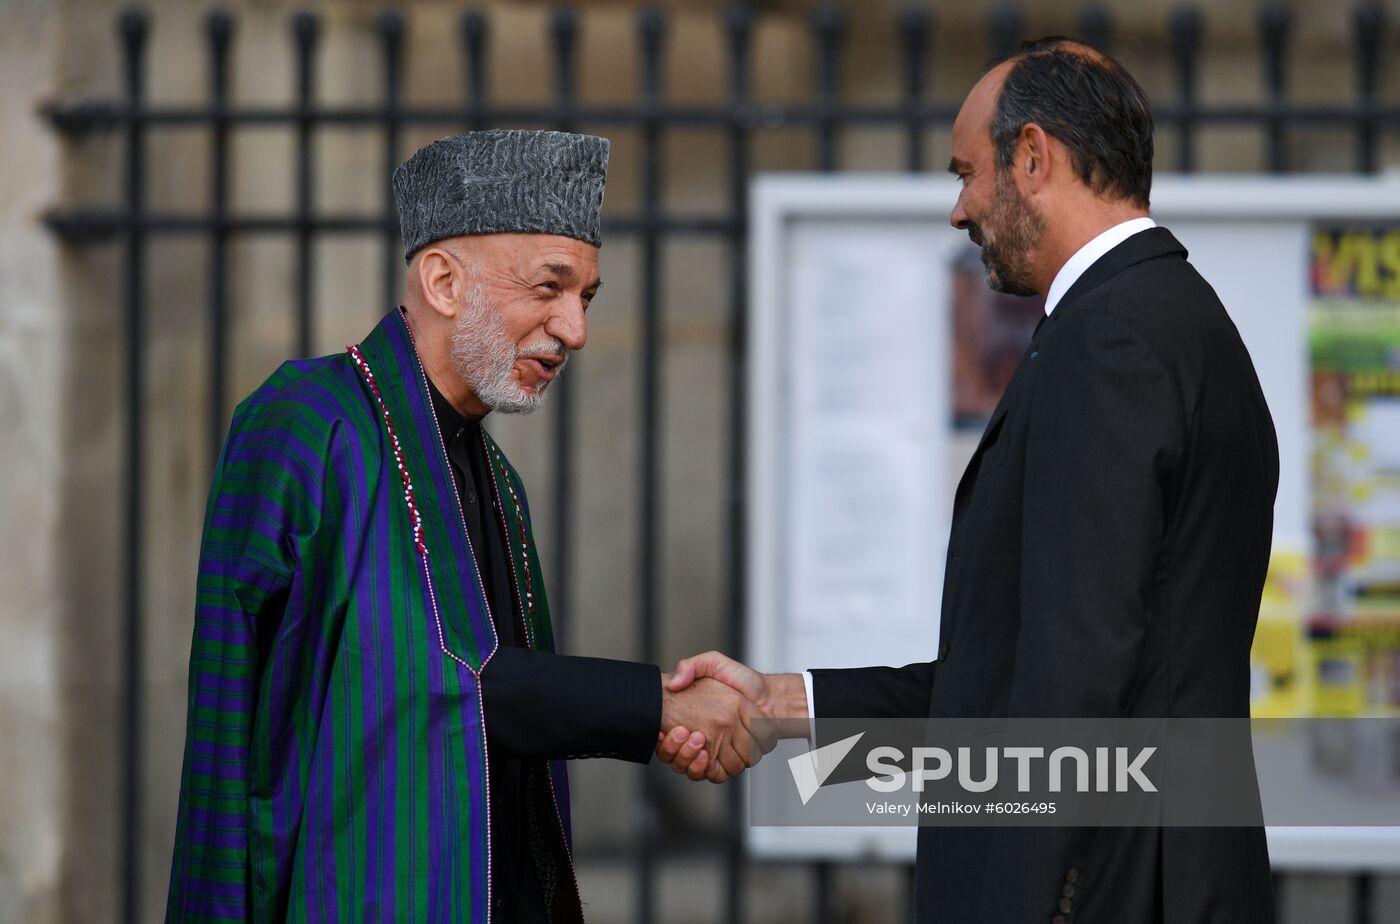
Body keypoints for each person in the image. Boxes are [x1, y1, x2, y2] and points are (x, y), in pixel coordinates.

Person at [660, 39, 1280, 923]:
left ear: (1034, 158)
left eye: (967, 173)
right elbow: (1025, 674)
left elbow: (1073, 683)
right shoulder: (1175, 320)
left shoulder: (1106, 344)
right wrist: (783, 704)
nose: (960, 210)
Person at [165, 129, 762, 923]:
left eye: (585, 297)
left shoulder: (499, 483)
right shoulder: (306, 422)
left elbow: (483, 705)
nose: (574, 330)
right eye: (549, 287)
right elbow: (411, 684)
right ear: (444, 282)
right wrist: (654, 707)